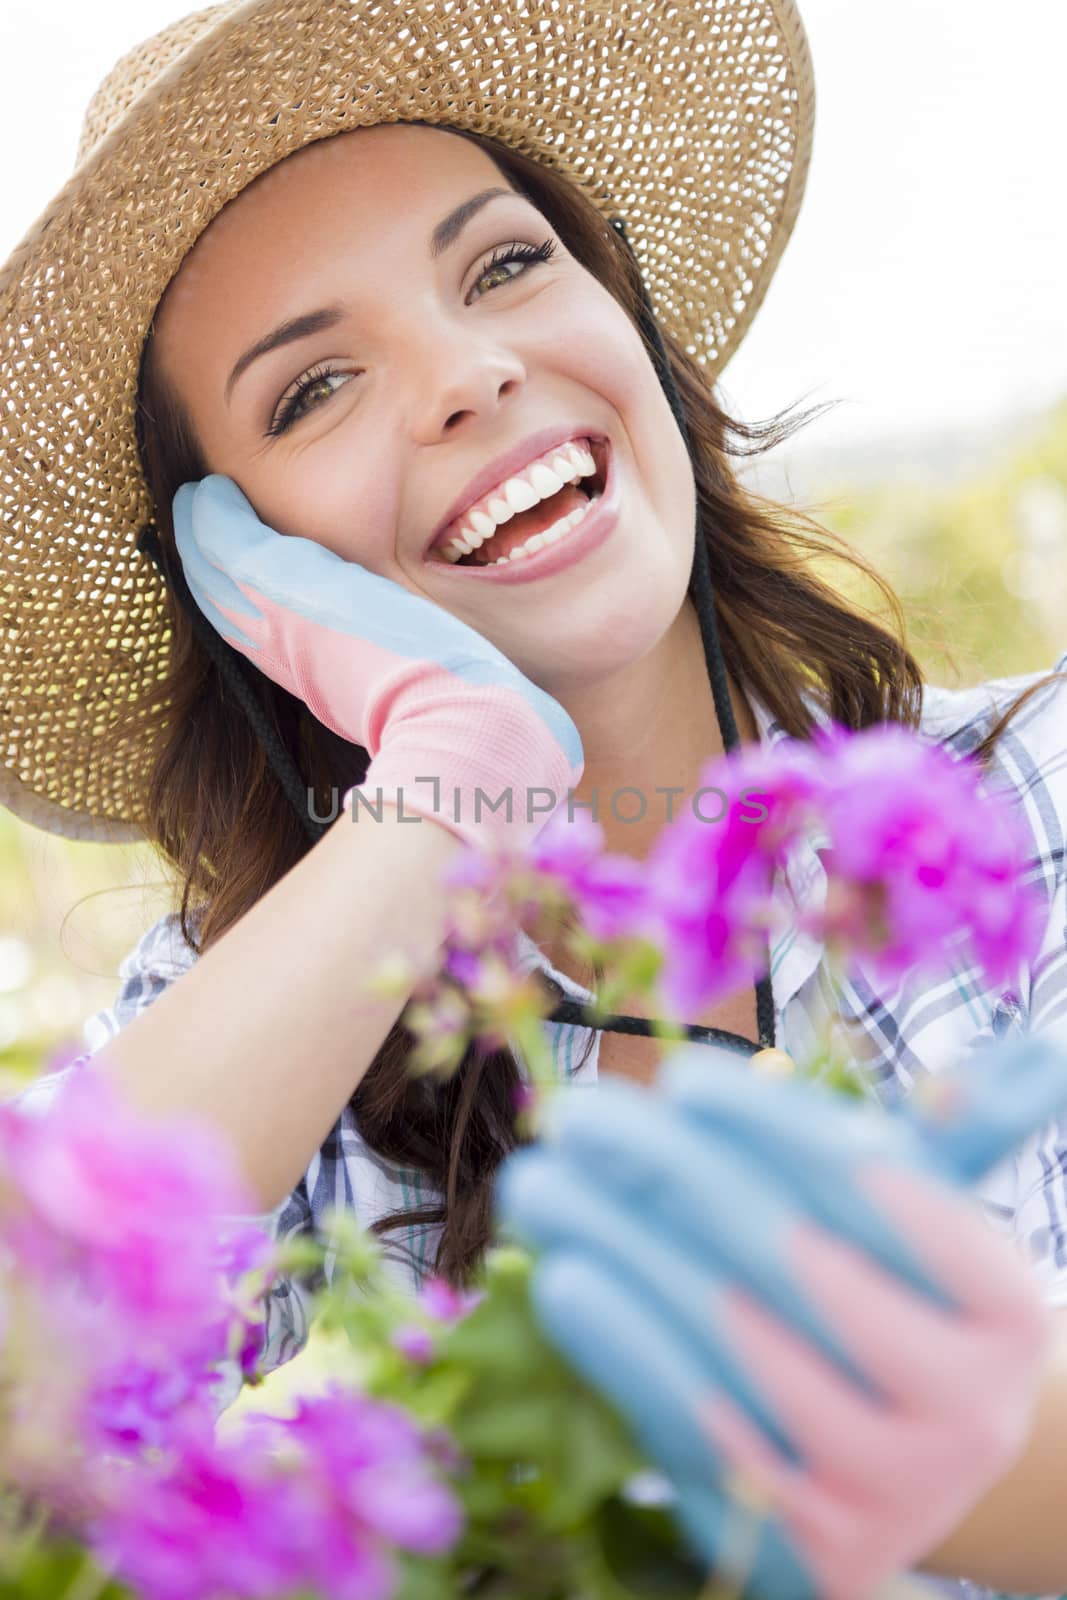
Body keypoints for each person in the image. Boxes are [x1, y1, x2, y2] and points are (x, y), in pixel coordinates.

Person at [3, 0, 1067, 1594]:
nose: (469, 374)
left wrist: (1023, 1474)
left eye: (503, 266)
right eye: (312, 390)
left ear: (624, 308)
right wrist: (444, 777)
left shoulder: (1034, 798)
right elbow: (27, 1390)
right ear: (238, 572)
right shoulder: (301, 1007)